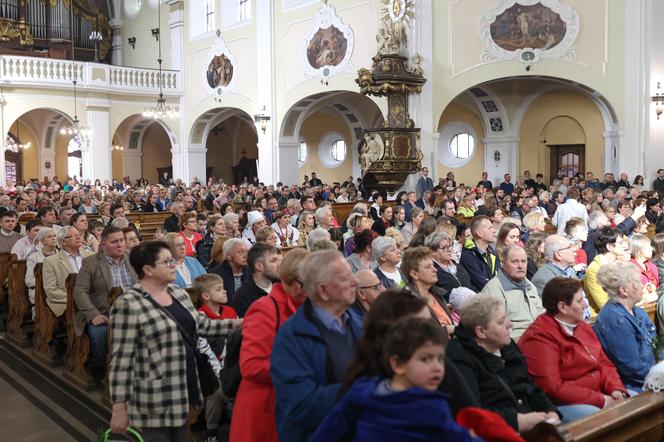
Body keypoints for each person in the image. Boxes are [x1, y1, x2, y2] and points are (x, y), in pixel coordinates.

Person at [108, 241, 242, 439]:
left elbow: (203, 325)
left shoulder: (178, 294)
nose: (173, 265)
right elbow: (121, 359)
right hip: (154, 394)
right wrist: (119, 408)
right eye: (167, 262)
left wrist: (242, 323)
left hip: (184, 386)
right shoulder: (129, 304)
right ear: (148, 269)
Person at [311, 317, 480, 442]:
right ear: (398, 364)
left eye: (440, 359)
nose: (437, 367)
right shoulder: (431, 407)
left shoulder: (363, 391)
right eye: (425, 359)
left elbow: (328, 431)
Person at [270, 251, 363, 442]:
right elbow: (299, 405)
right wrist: (359, 389)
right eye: (346, 279)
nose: (355, 282)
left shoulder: (358, 323)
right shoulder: (292, 337)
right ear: (323, 290)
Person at [518, 277, 629, 422]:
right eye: (579, 301)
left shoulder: (581, 326)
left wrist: (616, 389)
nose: (585, 305)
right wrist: (602, 400)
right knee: (601, 418)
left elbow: (603, 362)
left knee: (638, 402)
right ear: (562, 307)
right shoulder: (538, 337)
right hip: (563, 404)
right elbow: (553, 387)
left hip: (600, 393)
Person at [446, 296, 560, 432]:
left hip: (534, 419)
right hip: (500, 431)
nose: (510, 324)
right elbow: (472, 413)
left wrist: (551, 411)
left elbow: (531, 386)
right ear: (481, 332)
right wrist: (518, 421)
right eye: (501, 322)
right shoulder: (459, 359)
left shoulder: (507, 345)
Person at [229, 248, 308, 442]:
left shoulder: (308, 307)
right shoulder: (265, 308)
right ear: (297, 283)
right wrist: (304, 369)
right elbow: (251, 366)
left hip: (295, 404)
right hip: (266, 408)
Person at [73, 226, 138, 366]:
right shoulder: (91, 263)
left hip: (133, 310)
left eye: (122, 240)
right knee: (100, 335)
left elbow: (143, 285)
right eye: (114, 242)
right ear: (103, 244)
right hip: (103, 313)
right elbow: (80, 292)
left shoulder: (132, 259)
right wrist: (93, 314)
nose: (120, 244)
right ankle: (109, 367)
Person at [594, 261, 658, 390]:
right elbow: (632, 368)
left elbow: (656, 346)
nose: (643, 286)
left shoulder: (637, 311)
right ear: (624, 290)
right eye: (638, 282)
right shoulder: (614, 319)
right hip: (638, 385)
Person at [479, 245, 544, 340]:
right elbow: (493, 329)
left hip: (538, 337)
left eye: (523, 261)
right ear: (503, 263)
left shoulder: (528, 284)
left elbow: (541, 311)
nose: (520, 266)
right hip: (515, 342)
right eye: (514, 262)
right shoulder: (493, 290)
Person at [42, 226, 93, 318]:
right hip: (68, 302)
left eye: (79, 235)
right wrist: (75, 298)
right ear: (63, 241)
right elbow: (51, 290)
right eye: (73, 236)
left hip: (92, 298)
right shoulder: (50, 261)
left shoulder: (90, 255)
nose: (78, 237)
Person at [402, 246, 455, 333]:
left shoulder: (437, 293)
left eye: (433, 266)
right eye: (428, 267)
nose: (435, 270)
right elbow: (420, 333)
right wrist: (448, 329)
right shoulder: (408, 301)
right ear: (414, 274)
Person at [585, 227, 631, 313]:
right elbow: (604, 304)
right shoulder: (594, 270)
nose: (623, 246)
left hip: (623, 310)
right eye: (620, 243)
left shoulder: (618, 264)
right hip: (604, 318)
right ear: (609, 246)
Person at [231, 242, 281, 317]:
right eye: (273, 261)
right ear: (259, 266)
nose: (279, 264)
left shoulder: (283, 284)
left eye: (278, 260)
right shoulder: (242, 296)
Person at [425, 231, 472, 297]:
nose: (449, 250)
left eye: (450, 246)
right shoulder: (432, 272)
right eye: (444, 247)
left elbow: (471, 286)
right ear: (433, 251)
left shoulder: (458, 266)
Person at [460, 216, 500, 291]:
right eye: (490, 228)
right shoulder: (468, 256)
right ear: (479, 233)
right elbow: (483, 284)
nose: (494, 230)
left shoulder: (493, 253)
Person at [25, 227, 57, 314]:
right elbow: (29, 281)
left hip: (59, 290)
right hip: (41, 291)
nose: (54, 238)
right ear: (42, 241)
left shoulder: (63, 255)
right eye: (49, 237)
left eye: (55, 236)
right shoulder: (33, 257)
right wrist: (48, 281)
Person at [630, 234, 659, 301]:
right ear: (639, 249)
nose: (652, 249)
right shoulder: (630, 269)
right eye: (649, 246)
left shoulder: (652, 266)